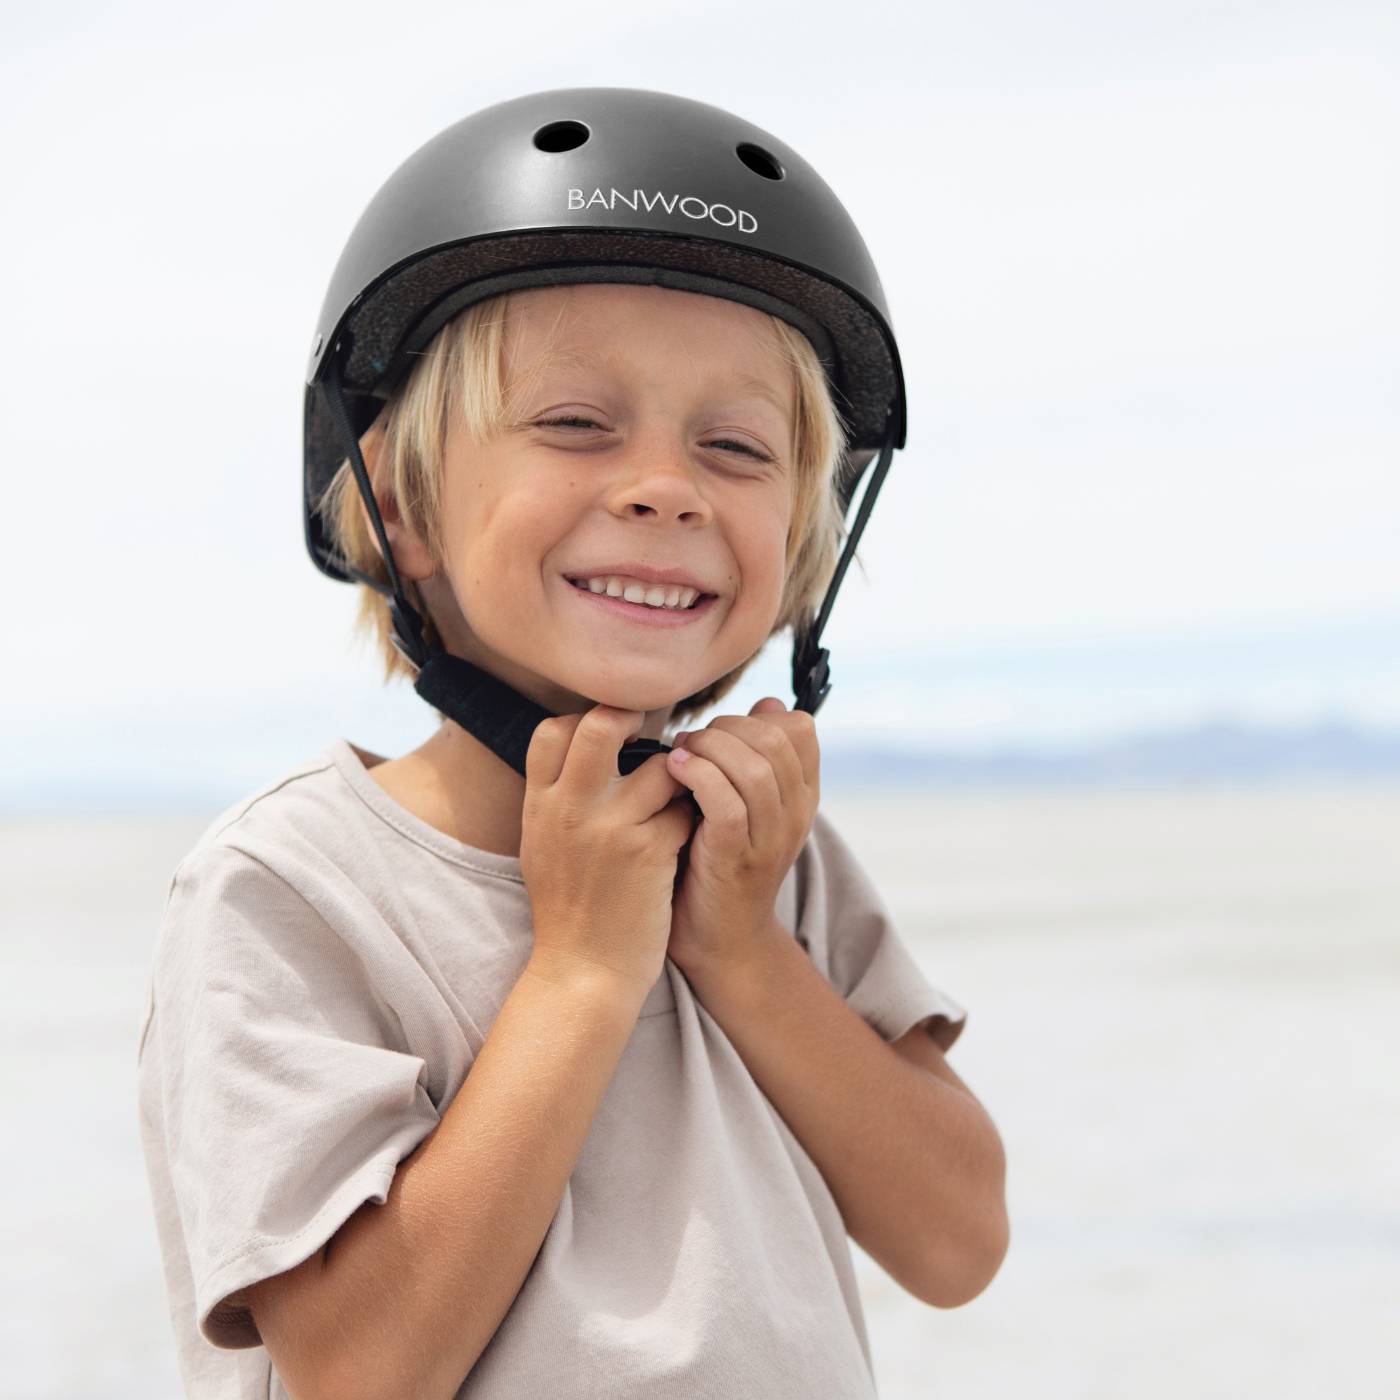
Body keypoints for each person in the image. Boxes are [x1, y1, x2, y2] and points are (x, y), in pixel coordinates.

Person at [135, 87, 1008, 1400]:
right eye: (574, 424)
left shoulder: (769, 856)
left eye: (736, 446)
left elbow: (956, 1241)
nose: (665, 487)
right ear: (402, 503)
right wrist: (585, 971)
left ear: (802, 544)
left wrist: (743, 950)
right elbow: (355, 1371)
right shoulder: (292, 885)